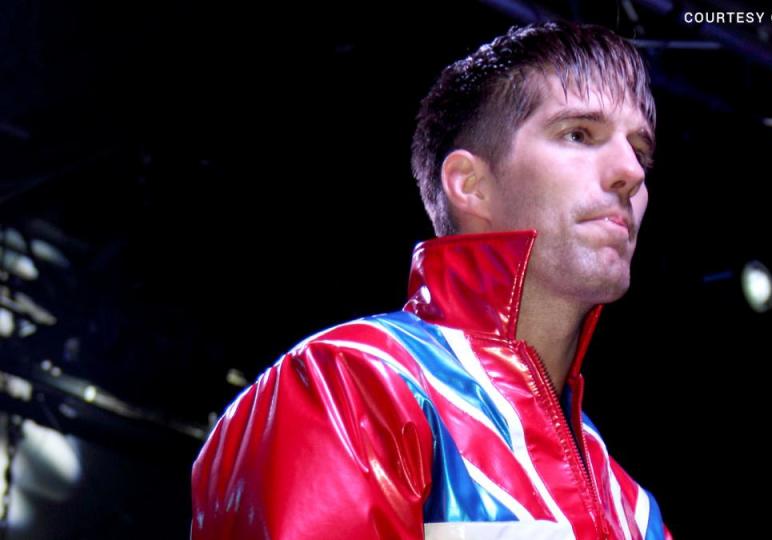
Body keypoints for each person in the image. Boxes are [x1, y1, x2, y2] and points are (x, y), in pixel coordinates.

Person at [191, 20, 670, 539]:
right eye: (579, 134)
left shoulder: (632, 508)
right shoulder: (354, 384)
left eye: (640, 151)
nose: (631, 171)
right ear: (471, 186)